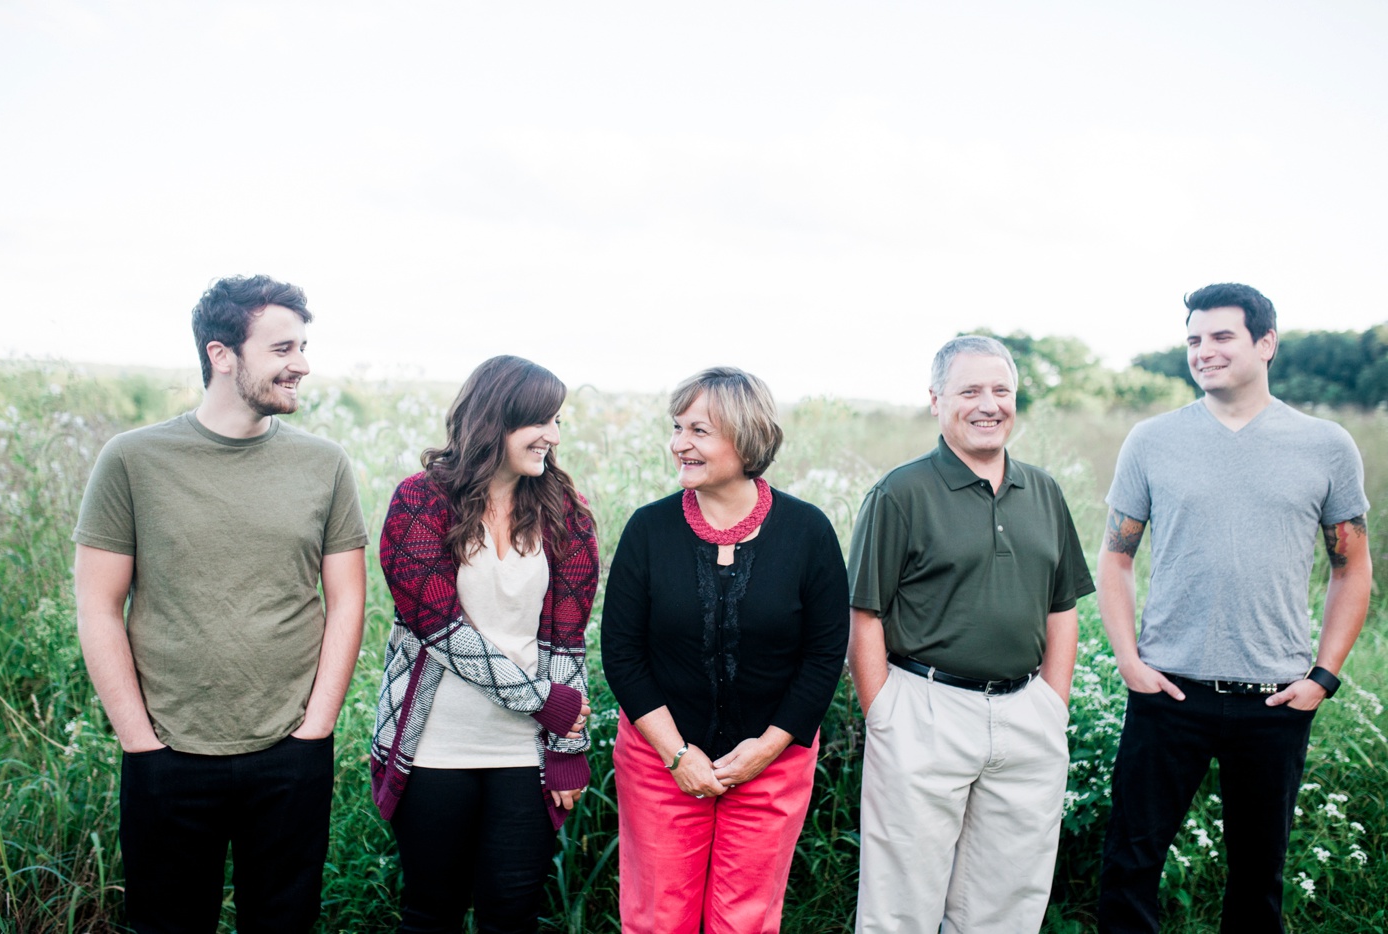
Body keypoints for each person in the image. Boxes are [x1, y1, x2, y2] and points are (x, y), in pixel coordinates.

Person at [73, 275, 369, 933]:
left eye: (304, 346)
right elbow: (98, 605)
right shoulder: (132, 460)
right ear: (222, 354)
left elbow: (348, 601)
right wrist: (140, 743)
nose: (302, 365)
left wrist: (315, 728)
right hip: (168, 755)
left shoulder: (325, 465)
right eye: (283, 348)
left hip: (291, 753)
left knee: (284, 924)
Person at [1096, 283, 1372, 932]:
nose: (1204, 351)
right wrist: (1129, 661)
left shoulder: (1326, 445)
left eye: (1221, 336)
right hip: (1169, 691)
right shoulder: (1151, 440)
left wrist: (1323, 677)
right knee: (1131, 864)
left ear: (1265, 343)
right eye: (1194, 339)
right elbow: (1116, 557)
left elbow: (1352, 567)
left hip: (1275, 699)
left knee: (1258, 877)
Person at [848, 334, 1094, 933]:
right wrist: (883, 711)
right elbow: (864, 613)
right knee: (901, 902)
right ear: (936, 400)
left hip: (1025, 714)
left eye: (1001, 390)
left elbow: (1062, 606)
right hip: (923, 712)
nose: (989, 404)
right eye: (970, 390)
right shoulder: (900, 493)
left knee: (1008, 902)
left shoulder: (1044, 491)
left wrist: (1051, 704)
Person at [601, 366, 848, 934]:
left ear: (747, 437)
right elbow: (622, 652)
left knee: (746, 921)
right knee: (658, 918)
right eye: (677, 427)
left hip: (772, 760)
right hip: (659, 758)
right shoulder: (648, 529)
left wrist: (767, 748)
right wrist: (676, 754)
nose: (679, 444)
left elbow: (823, 654)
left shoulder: (809, 532)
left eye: (699, 431)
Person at [368, 355, 598, 933]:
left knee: (513, 915)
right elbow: (441, 631)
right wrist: (545, 702)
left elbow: (568, 640)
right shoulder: (419, 502)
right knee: (431, 913)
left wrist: (569, 743)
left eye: (558, 420)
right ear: (493, 419)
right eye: (539, 420)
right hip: (434, 746)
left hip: (525, 753)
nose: (553, 434)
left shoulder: (563, 510)